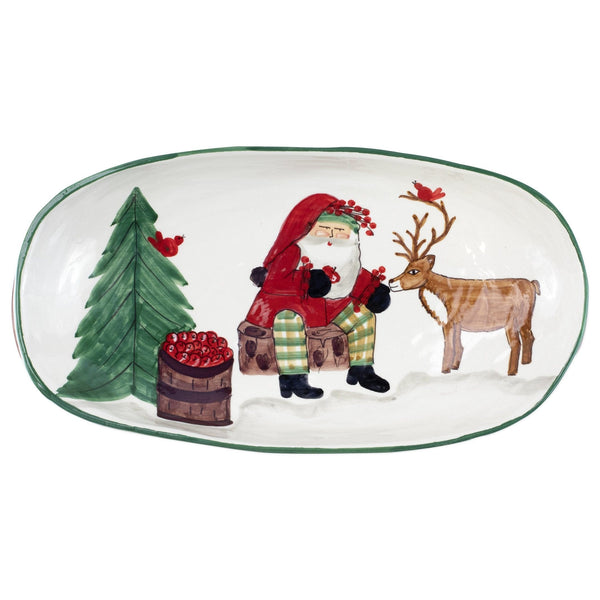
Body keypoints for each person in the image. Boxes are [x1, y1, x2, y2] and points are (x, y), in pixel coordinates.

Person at [245, 193, 391, 399]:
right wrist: (306, 281)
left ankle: (362, 369)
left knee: (363, 315)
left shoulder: (347, 255)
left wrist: (372, 291)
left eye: (340, 233)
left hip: (331, 310)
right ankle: (293, 378)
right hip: (293, 307)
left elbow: (354, 277)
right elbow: (275, 281)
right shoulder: (293, 252)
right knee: (288, 320)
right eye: (322, 231)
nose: (330, 238)